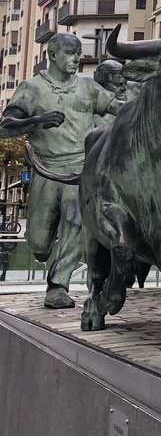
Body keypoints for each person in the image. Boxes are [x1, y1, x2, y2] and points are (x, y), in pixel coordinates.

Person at [0, 34, 118, 307]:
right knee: (39, 242)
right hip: (46, 171)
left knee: (75, 224)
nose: (76, 58)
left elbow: (118, 108)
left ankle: (57, 286)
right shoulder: (32, 88)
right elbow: (6, 127)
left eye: (78, 53)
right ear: (52, 55)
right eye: (70, 52)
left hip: (80, 172)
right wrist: (37, 121)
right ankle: (40, 249)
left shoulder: (88, 87)